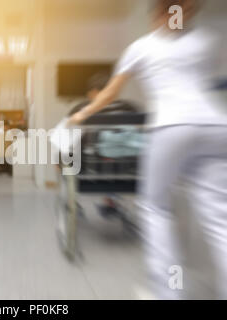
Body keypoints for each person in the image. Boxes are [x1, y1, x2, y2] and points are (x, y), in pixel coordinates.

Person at [68, 0, 227, 299]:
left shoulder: (142, 46)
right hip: (217, 127)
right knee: (221, 218)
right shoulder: (206, 41)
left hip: (173, 126)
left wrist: (81, 115)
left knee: (156, 207)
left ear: (157, 14)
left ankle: (167, 292)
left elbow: (111, 91)